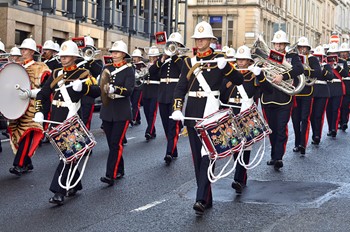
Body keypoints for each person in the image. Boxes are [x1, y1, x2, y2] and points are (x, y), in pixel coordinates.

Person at [172, 21, 243, 215]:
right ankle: (207, 197)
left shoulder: (220, 59)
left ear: (211, 40)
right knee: (197, 158)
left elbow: (239, 80)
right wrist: (178, 107)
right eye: (198, 38)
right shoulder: (189, 62)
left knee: (207, 156)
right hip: (193, 112)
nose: (200, 41)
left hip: (211, 111)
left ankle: (200, 198)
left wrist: (226, 68)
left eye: (204, 38)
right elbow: (180, 88)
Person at [34, 40, 100, 204]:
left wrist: (83, 88)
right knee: (66, 155)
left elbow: (96, 92)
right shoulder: (56, 73)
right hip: (56, 118)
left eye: (66, 56)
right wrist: (39, 111)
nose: (62, 59)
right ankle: (75, 185)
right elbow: (42, 94)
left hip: (72, 119)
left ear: (74, 57)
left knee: (67, 156)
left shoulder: (83, 74)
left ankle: (59, 191)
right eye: (61, 56)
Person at [219, 45, 272, 194]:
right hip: (231, 112)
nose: (240, 63)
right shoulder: (230, 75)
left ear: (249, 62)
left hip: (247, 114)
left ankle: (239, 179)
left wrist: (260, 76)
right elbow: (221, 95)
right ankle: (241, 176)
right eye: (238, 60)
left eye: (243, 60)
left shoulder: (253, 75)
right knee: (236, 147)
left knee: (245, 147)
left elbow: (268, 91)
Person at [260, 30, 304, 170]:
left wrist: (283, 77)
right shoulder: (268, 56)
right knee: (271, 129)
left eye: (281, 43)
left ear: (285, 44)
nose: (278, 46)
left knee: (280, 128)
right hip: (268, 97)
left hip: (284, 98)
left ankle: (279, 157)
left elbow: (299, 69)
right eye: (276, 43)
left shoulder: (291, 56)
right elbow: (259, 69)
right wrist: (263, 68)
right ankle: (274, 155)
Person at [8, 37, 51, 176]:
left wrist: (31, 93)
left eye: (25, 49)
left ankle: (19, 164)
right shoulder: (17, 66)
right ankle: (27, 162)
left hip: (33, 106)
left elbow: (47, 89)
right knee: (17, 133)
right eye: (22, 49)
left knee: (27, 133)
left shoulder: (41, 67)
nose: (22, 51)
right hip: (18, 107)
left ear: (32, 51)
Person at [99, 40, 134, 186]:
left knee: (115, 143)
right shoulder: (106, 68)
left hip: (121, 110)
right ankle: (120, 169)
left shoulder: (128, 70)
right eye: (113, 52)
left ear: (123, 55)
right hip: (107, 110)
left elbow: (129, 90)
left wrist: (115, 89)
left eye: (117, 52)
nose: (114, 54)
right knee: (112, 143)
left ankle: (110, 175)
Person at [155, 32, 185, 165]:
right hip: (162, 95)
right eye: (170, 45)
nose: (172, 47)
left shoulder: (182, 60)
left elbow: (183, 71)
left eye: (175, 45)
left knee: (173, 125)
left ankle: (168, 152)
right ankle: (174, 149)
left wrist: (175, 56)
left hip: (175, 95)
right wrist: (161, 59)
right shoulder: (163, 60)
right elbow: (152, 74)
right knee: (166, 126)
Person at [291, 37, 321, 155]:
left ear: (308, 48)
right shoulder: (294, 58)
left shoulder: (312, 59)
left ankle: (303, 144)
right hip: (295, 91)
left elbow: (318, 72)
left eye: (304, 47)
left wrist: (305, 71)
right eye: (300, 47)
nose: (302, 50)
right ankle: (297, 143)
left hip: (307, 92)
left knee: (305, 119)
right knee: (295, 120)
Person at [76, 36, 103, 130]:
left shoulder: (96, 62)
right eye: (84, 48)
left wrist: (90, 59)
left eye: (88, 49)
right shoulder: (76, 60)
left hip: (88, 94)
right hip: (75, 93)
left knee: (85, 121)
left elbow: (98, 71)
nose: (85, 50)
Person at [310, 46, 333, 145]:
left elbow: (330, 76)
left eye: (320, 57)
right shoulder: (311, 64)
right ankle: (314, 133)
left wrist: (322, 70)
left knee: (318, 115)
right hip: (311, 91)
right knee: (311, 115)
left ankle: (317, 135)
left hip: (322, 92)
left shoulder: (326, 66)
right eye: (317, 56)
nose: (318, 59)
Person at [325, 43, 348, 137]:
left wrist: (337, 67)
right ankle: (330, 128)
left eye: (335, 53)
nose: (332, 55)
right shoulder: (325, 62)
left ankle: (334, 128)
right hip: (327, 87)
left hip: (338, 87)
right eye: (331, 53)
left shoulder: (342, 62)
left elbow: (346, 74)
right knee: (328, 110)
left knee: (335, 109)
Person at [142, 46, 161, 140]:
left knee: (152, 112)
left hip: (155, 89)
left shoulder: (160, 65)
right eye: (151, 56)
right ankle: (152, 130)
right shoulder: (145, 65)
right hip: (146, 89)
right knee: (146, 111)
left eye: (154, 56)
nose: (152, 58)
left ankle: (149, 131)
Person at [130, 48, 145, 126]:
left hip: (139, 87)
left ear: (139, 58)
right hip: (132, 86)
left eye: (136, 57)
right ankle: (138, 118)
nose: (134, 58)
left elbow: (143, 76)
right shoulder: (131, 65)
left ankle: (133, 118)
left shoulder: (142, 66)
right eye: (133, 57)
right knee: (133, 103)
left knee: (136, 103)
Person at [338, 42, 350, 131]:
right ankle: (342, 121)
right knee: (342, 105)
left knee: (346, 105)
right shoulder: (337, 61)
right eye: (342, 52)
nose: (343, 53)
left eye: (345, 52)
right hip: (341, 84)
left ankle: (344, 121)